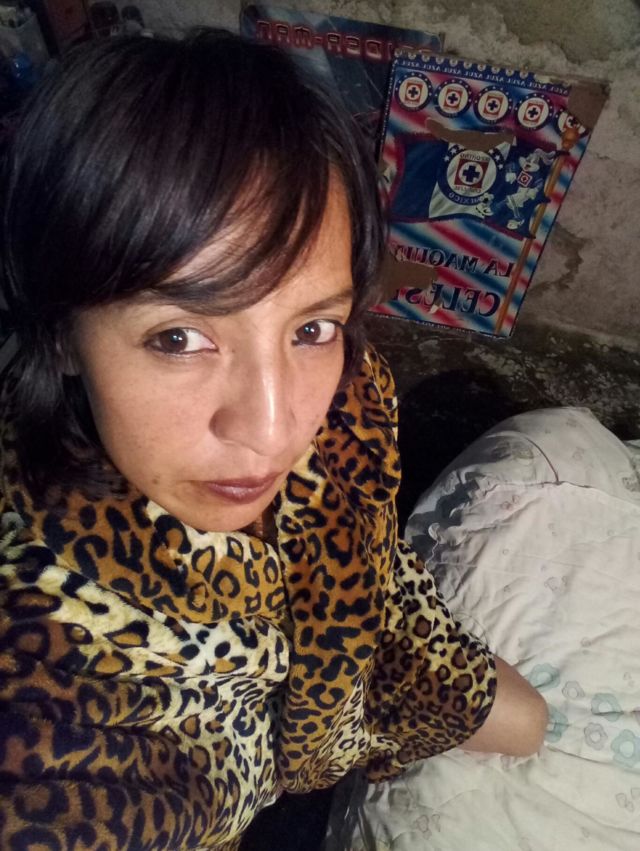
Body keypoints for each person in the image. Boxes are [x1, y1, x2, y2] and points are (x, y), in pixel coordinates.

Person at [0, 29, 547, 851]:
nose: (274, 428)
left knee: (532, 724)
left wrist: (421, 680)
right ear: (62, 336)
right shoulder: (49, 668)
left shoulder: (348, 385)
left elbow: (371, 555)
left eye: (311, 325)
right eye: (180, 337)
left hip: (347, 710)